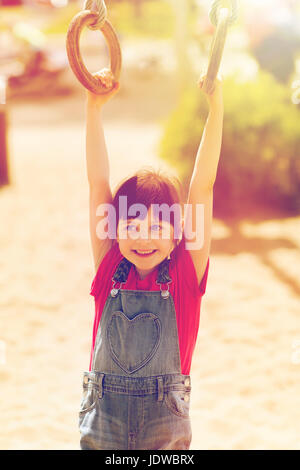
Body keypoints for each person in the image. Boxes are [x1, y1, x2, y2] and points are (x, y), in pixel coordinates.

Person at [79, 68, 224, 450]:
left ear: (179, 234)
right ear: (113, 228)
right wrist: (94, 108)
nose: (144, 238)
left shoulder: (184, 272)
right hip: (103, 420)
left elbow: (202, 186)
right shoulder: (109, 263)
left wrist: (215, 107)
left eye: (158, 228)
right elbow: (97, 182)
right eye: (132, 225)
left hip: (164, 429)